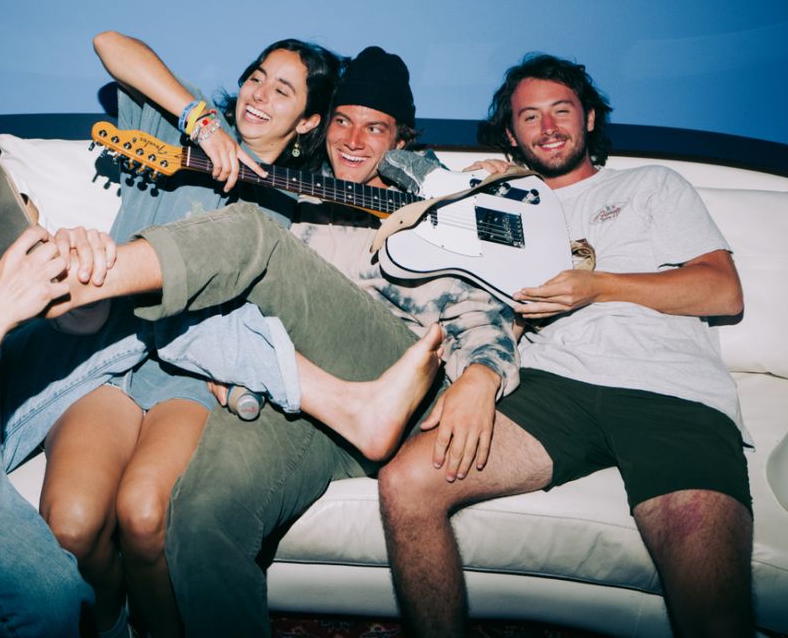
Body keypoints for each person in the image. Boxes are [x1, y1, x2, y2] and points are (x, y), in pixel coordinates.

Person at [0, 29, 434, 637]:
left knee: (160, 292)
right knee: (54, 588)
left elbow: (85, 320)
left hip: (2, 392)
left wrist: (80, 271)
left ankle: (344, 403)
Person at [377, 53, 752, 638]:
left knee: (714, 618)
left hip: (669, 390)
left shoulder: (651, 184)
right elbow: (482, 309)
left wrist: (598, 286)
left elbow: (723, 292)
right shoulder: (499, 207)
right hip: (554, 387)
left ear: (590, 118)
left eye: (562, 111)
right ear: (511, 134)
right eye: (530, 117)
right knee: (406, 483)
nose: (548, 127)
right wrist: (480, 375)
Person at [160, 47, 520, 637]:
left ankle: (121, 274)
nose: (353, 140)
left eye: (374, 128)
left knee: (253, 240)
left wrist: (483, 375)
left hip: (396, 387)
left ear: (401, 139)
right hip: (300, 398)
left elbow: (486, 318)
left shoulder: (444, 210)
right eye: (343, 121)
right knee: (200, 522)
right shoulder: (297, 193)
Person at [39, 33, 342, 636]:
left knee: (145, 515)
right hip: (109, 353)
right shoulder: (185, 124)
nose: (259, 94)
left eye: (283, 91)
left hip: (192, 374)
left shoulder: (298, 202)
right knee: (71, 527)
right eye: (256, 77)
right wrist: (201, 123)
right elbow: (109, 43)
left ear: (308, 121)